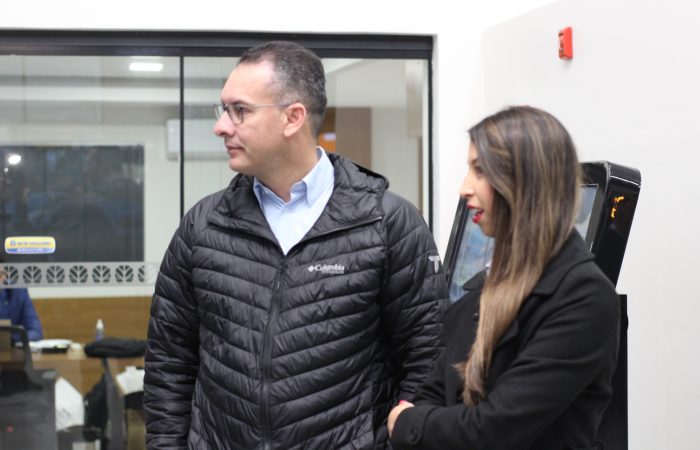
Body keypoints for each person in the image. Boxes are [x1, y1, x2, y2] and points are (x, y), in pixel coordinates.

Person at [144, 40, 447, 449]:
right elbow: (169, 363)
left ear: (293, 118)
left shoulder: (387, 222)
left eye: (240, 110)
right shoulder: (203, 226)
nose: (221, 126)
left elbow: (427, 359)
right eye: (224, 109)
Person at [388, 106, 620, 449]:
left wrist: (409, 423)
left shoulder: (583, 298)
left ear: (525, 181)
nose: (464, 188)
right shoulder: (484, 290)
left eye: (480, 171)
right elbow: (434, 392)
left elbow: (495, 430)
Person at [0, 257, 44, 342]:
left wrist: (11, 339)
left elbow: (35, 332)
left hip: (11, 347)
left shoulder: (18, 292)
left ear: (5, 275)